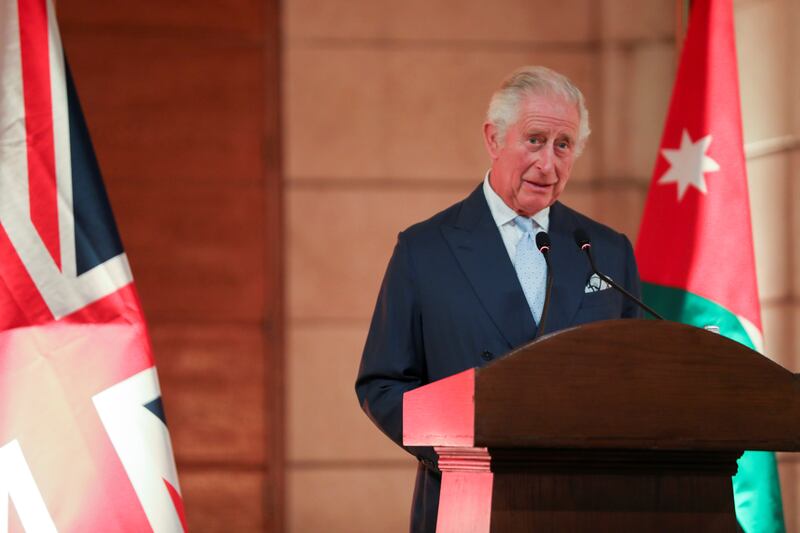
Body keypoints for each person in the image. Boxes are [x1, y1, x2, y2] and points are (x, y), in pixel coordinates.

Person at [355, 66, 642, 532]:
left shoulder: (605, 250)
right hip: (467, 502)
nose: (548, 164)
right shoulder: (426, 250)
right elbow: (382, 384)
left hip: (585, 506)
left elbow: (638, 380)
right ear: (494, 139)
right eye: (534, 140)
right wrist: (458, 453)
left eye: (563, 145)